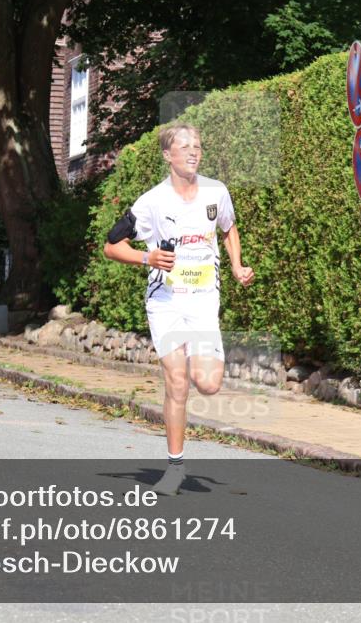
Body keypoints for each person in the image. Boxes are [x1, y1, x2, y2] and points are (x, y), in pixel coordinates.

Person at [103, 123, 255, 495]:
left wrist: (236, 266)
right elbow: (111, 245)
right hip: (166, 303)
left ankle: (195, 361)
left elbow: (229, 228)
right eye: (184, 146)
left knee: (208, 383)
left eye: (198, 146)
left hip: (203, 301)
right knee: (177, 381)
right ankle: (175, 467)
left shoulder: (216, 192)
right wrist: (147, 257)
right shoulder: (151, 202)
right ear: (167, 156)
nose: (193, 152)